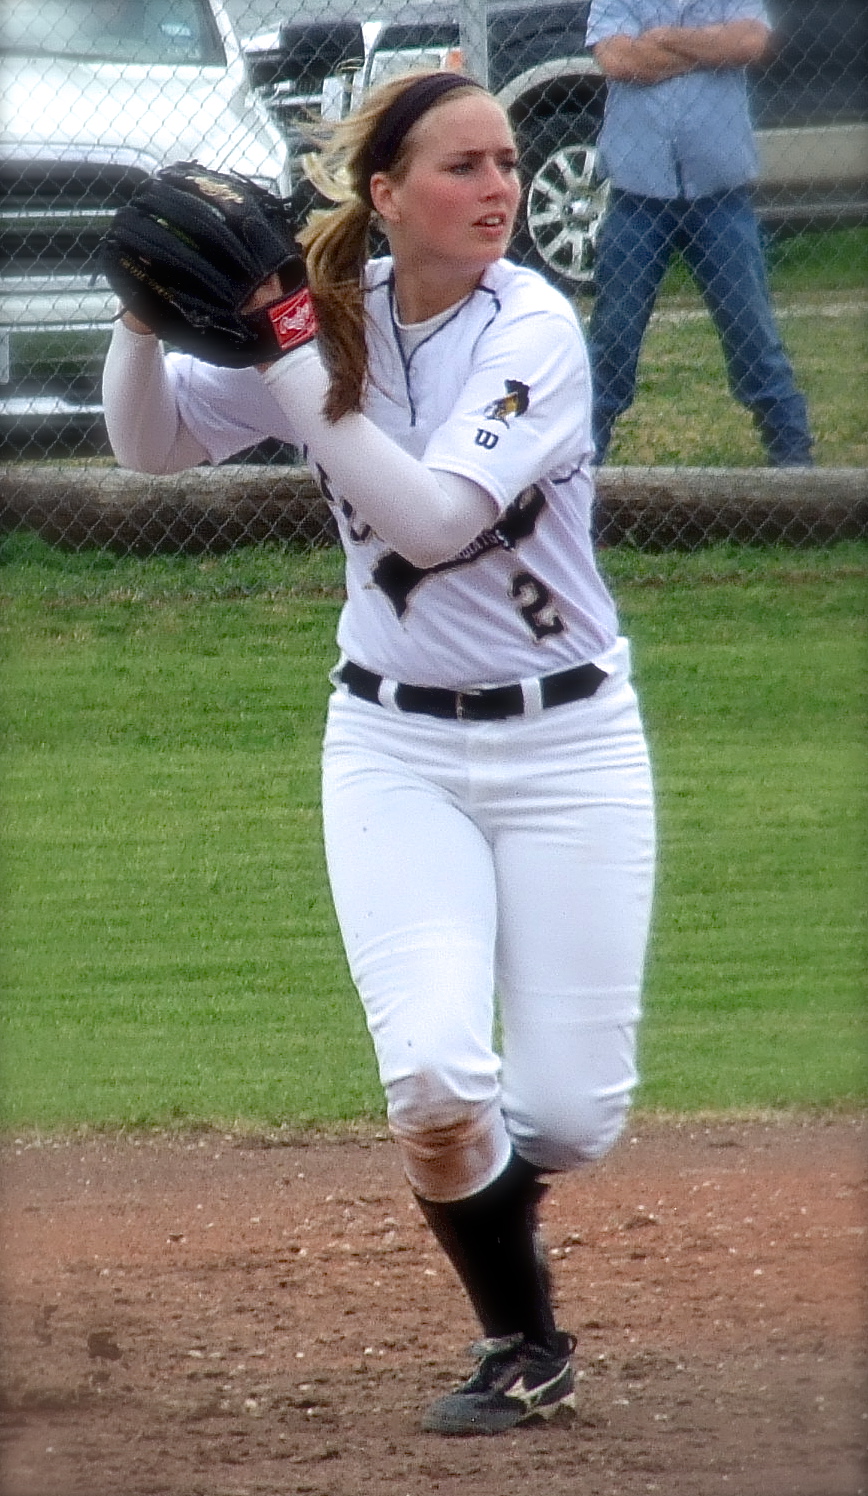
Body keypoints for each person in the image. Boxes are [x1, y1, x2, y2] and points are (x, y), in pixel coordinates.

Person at [102, 70, 656, 1436]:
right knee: (434, 1081)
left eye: (507, 161)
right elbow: (150, 445)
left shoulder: (531, 326)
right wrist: (141, 317)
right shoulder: (331, 315)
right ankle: (523, 1338)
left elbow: (430, 519)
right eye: (463, 165)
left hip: (570, 747)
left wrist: (286, 343)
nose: (500, 188)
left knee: (568, 1119)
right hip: (390, 747)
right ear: (386, 192)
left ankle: (495, 1204)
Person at [585, 0, 814, 467]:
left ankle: (795, 466)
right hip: (637, 193)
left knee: (753, 335)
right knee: (612, 340)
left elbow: (750, 41)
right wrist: (711, 47)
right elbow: (619, 60)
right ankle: (578, 469)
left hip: (720, 194)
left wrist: (666, 39)